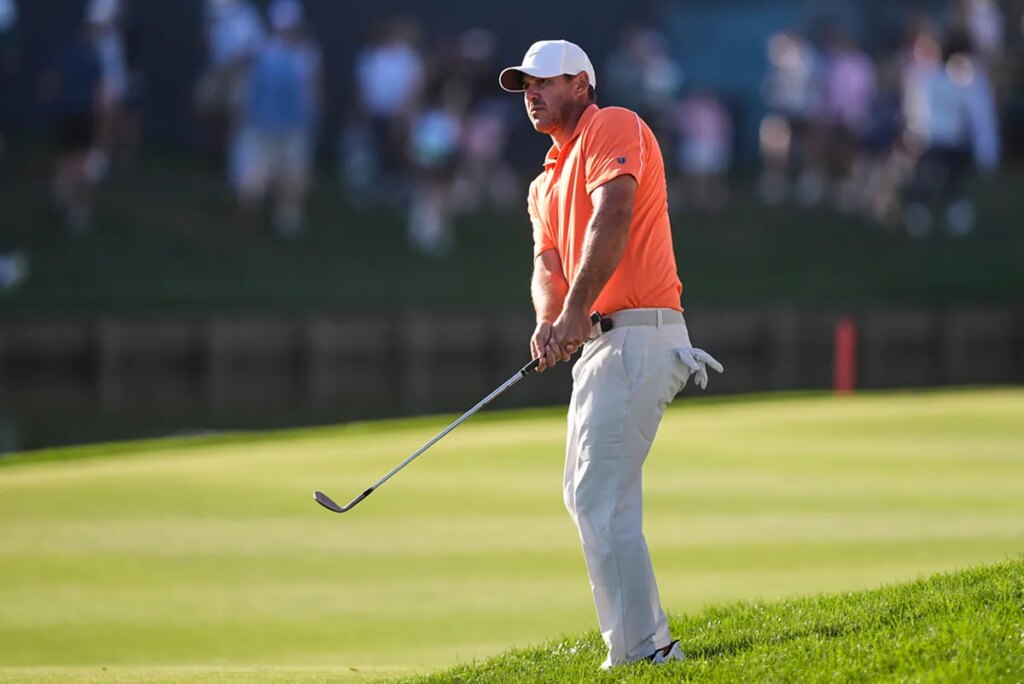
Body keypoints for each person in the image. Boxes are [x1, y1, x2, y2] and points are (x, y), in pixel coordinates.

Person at [498, 39, 723, 669]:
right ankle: (651, 644)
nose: (531, 94)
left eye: (544, 82)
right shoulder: (543, 184)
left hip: (640, 333)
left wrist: (574, 313)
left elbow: (613, 216)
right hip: (601, 344)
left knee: (597, 494)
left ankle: (638, 652)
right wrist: (551, 318)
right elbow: (548, 264)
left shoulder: (614, 126)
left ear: (582, 85)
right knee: (587, 494)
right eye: (524, 86)